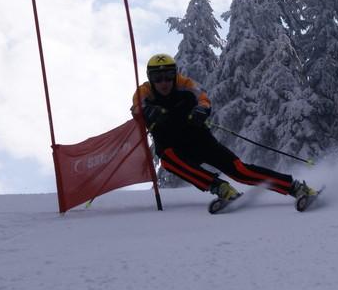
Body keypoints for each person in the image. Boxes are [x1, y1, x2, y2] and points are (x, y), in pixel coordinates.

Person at [132, 53, 316, 205]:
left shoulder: (185, 85)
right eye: (157, 78)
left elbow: (203, 98)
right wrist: (147, 111)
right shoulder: (145, 92)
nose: (163, 82)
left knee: (241, 171)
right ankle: (220, 188)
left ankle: (295, 187)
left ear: (175, 75)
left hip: (199, 140)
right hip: (174, 149)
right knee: (167, 161)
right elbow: (136, 108)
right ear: (150, 78)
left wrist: (201, 110)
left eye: (168, 76)